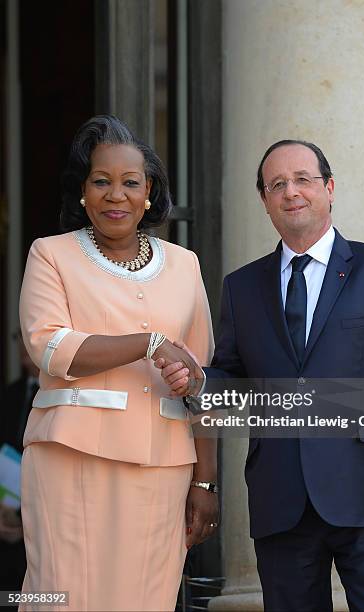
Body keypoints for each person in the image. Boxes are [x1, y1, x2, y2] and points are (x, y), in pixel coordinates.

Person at [157, 140, 364, 611]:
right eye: (276, 184)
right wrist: (200, 381)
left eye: (303, 179)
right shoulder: (242, 287)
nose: (291, 192)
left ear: (329, 188)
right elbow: (237, 380)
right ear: (264, 201)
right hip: (281, 498)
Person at [18, 114, 218, 612]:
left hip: (164, 468)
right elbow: (50, 347)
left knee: (146, 600)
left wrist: (206, 482)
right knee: (59, 596)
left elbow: (202, 381)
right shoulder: (51, 255)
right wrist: (148, 344)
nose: (116, 195)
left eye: (131, 183)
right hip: (70, 458)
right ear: (82, 191)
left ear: (148, 192)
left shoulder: (185, 265)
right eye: (101, 181)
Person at [0, 333, 39, 610]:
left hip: (42, 513)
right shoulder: (8, 394)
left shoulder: (65, 399)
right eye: (19, 337)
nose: (23, 345)